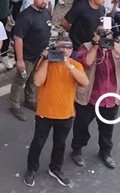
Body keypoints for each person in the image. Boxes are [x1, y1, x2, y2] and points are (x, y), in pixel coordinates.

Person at [23, 34, 89, 188]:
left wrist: (68, 64)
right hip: (45, 113)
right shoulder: (46, 63)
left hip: (66, 114)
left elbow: (84, 82)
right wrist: (46, 59)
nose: (63, 51)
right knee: (38, 143)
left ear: (71, 50)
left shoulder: (75, 65)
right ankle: (31, 169)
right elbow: (38, 81)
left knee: (60, 144)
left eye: (66, 48)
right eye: (59, 47)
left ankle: (56, 168)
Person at [70, 29, 120, 170]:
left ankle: (105, 152)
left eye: (107, 35)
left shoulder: (119, 47)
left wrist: (116, 49)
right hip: (89, 97)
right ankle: (77, 150)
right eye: (101, 34)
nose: (104, 38)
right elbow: (84, 63)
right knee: (81, 126)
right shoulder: (87, 47)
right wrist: (95, 45)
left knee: (107, 129)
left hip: (111, 98)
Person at [10, 0, 53, 121]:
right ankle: (14, 105)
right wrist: (20, 60)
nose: (43, 1)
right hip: (27, 55)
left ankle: (29, 99)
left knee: (33, 79)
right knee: (20, 80)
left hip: (40, 55)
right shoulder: (25, 16)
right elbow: (18, 38)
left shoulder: (46, 13)